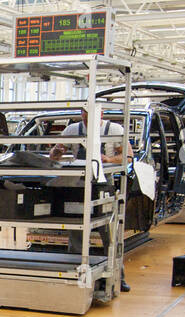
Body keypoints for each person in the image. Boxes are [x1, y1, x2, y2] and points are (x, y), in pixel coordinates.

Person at [51, 107, 130, 292]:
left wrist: (107, 159)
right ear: (81, 115)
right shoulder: (72, 130)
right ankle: (77, 273)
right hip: (78, 187)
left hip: (103, 186)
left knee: (109, 232)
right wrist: (57, 150)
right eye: (85, 115)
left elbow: (128, 157)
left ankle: (118, 276)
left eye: (92, 115)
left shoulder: (114, 130)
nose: (88, 119)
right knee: (76, 230)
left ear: (100, 114)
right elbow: (54, 155)